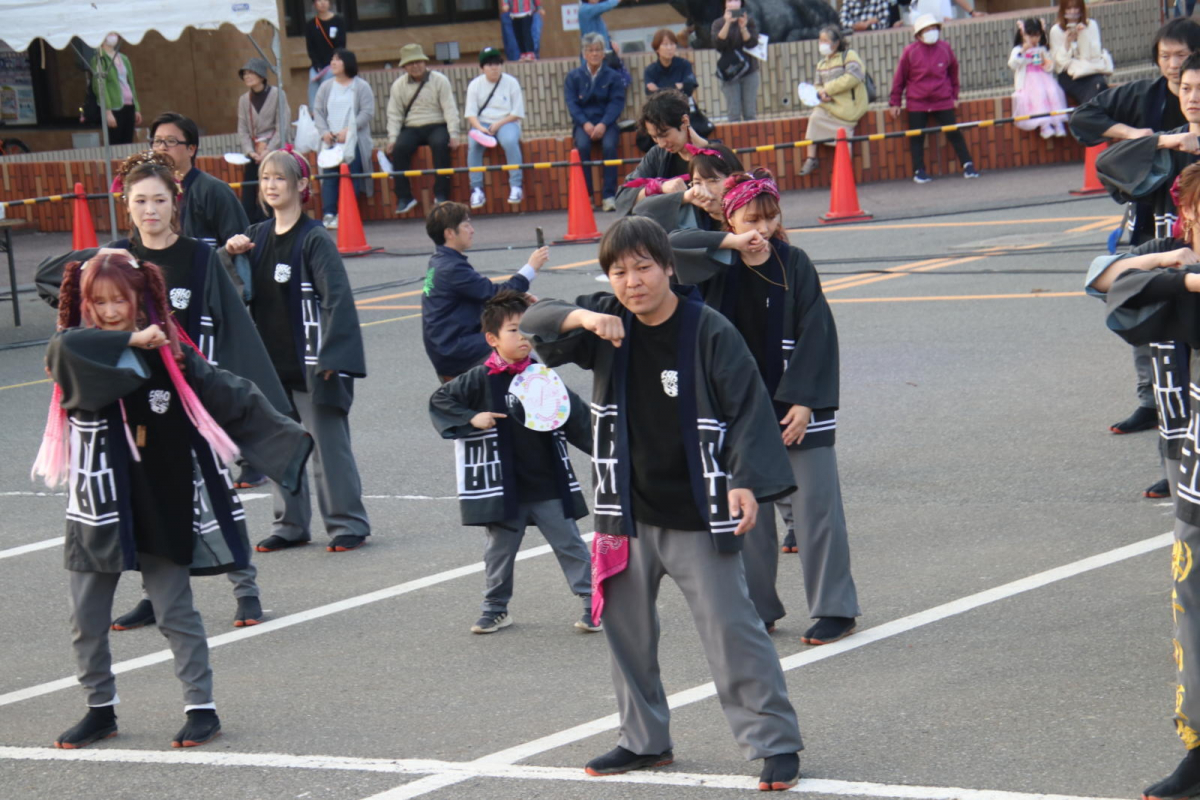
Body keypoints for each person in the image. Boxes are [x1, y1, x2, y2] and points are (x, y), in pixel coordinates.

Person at [521, 216, 803, 790]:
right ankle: (643, 741)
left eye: (644, 267)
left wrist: (745, 479)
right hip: (622, 511)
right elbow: (533, 320)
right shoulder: (606, 326)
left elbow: (749, 409)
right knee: (626, 631)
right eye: (619, 271)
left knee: (732, 628)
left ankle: (774, 743)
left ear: (669, 267)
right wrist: (584, 316)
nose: (632, 281)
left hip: (698, 510)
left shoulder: (708, 331)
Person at [34, 252, 310, 750]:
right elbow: (62, 346)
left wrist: (288, 440)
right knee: (86, 617)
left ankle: (201, 707)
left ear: (141, 299)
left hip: (161, 496)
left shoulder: (171, 355)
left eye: (121, 299)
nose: (111, 309)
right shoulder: (79, 350)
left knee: (174, 611)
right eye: (100, 302)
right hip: (98, 503)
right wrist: (130, 339)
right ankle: (100, 709)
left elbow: (232, 393)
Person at [35, 150, 289, 631]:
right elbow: (51, 277)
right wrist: (95, 260)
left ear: (176, 202)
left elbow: (236, 328)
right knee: (144, 500)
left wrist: (257, 402)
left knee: (214, 489)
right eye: (139, 201)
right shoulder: (115, 260)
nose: (149, 210)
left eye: (158, 200)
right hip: (131, 401)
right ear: (126, 205)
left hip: (186, 393)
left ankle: (246, 588)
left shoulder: (199, 257)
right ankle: (157, 594)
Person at [669, 169, 860, 644]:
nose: (764, 229)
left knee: (817, 511)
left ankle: (835, 607)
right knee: (747, 518)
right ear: (729, 218)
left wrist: (804, 401)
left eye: (771, 218)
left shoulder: (794, 263)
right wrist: (728, 245)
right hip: (737, 412)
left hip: (797, 408)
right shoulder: (713, 266)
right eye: (752, 219)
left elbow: (818, 332)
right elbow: (666, 241)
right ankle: (759, 607)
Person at [1098, 162, 1200, 800]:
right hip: (1193, 482)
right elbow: (1104, 280)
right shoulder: (1178, 275)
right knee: (1193, 618)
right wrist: (1181, 269)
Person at [223, 148, 371, 554]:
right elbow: (227, 290)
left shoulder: (314, 239)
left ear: (302, 186)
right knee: (278, 446)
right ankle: (289, 524)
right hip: (270, 366)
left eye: (280, 179)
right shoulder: (254, 237)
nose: (270, 185)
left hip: (312, 363)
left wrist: (333, 357)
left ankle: (346, 524)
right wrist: (228, 255)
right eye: (265, 178)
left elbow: (337, 299)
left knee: (327, 448)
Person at [429, 291, 598, 634]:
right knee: (499, 552)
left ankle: (592, 603)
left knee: (569, 544)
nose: (523, 338)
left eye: (527, 331)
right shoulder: (480, 379)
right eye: (513, 331)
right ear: (492, 339)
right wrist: (472, 417)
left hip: (547, 481)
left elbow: (577, 418)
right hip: (504, 485)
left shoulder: (542, 375)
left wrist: (608, 452)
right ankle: (495, 608)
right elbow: (440, 401)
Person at [1070, 18, 1200, 458]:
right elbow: (1086, 121)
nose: (1174, 67)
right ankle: (1162, 420)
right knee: (1153, 323)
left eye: (1182, 56)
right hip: (1163, 234)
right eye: (1165, 57)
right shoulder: (1145, 96)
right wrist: (1152, 138)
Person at [422, 201, 549, 381]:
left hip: (446, 343)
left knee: (511, 339)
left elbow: (480, 293)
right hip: (455, 347)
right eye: (466, 225)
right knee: (517, 346)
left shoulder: (440, 262)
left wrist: (517, 295)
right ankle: (535, 398)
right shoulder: (451, 268)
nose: (471, 230)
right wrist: (531, 268)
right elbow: (493, 293)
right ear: (450, 233)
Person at [888, 14, 979, 184]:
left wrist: (954, 96)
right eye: (927, 29)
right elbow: (899, 78)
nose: (932, 32)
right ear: (919, 34)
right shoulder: (910, 52)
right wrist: (895, 102)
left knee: (954, 132)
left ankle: (968, 165)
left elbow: (953, 74)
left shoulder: (945, 48)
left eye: (934, 28)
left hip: (942, 99)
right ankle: (919, 170)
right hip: (917, 101)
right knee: (916, 137)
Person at [148, 113, 250, 250]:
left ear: (191, 149)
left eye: (171, 141)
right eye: (157, 141)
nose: (162, 147)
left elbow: (240, 242)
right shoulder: (149, 191)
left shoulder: (214, 190)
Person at [386, 44, 461, 215]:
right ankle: (404, 197)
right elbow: (394, 114)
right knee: (399, 149)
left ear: (425, 62)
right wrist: (392, 138)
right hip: (411, 126)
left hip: (437, 123)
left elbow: (450, 108)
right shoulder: (398, 85)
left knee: (441, 145)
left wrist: (454, 133)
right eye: (410, 63)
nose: (415, 66)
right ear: (404, 67)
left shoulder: (439, 80)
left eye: (418, 61)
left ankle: (442, 194)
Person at [615, 90, 713, 216]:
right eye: (655, 137)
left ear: (684, 122)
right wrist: (659, 187)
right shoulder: (657, 154)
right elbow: (623, 198)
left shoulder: (715, 156)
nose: (661, 143)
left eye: (664, 135)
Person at [314, 49, 375, 231]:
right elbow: (317, 110)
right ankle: (329, 213)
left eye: (338, 60)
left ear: (347, 63)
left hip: (353, 140)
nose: (333, 63)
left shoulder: (361, 86)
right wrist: (324, 132)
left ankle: (347, 213)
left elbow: (367, 112)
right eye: (332, 59)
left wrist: (349, 130)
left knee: (351, 176)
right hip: (330, 141)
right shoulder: (325, 86)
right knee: (330, 176)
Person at [565, 34, 627, 212]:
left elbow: (616, 103)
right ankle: (587, 196)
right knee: (582, 147)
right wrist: (584, 123)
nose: (594, 54)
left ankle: (609, 196)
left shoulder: (613, 76)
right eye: (590, 50)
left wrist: (603, 124)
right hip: (583, 124)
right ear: (584, 54)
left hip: (606, 123)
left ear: (603, 53)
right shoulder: (573, 77)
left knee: (609, 146)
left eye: (598, 50)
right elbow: (572, 104)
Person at [799, 26, 869, 177]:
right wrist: (820, 94)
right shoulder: (821, 64)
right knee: (815, 117)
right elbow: (818, 85)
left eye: (825, 40)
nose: (821, 44)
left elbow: (853, 77)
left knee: (843, 137)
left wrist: (828, 89)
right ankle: (811, 158)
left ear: (836, 43)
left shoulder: (848, 55)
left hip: (848, 107)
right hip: (829, 105)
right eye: (820, 40)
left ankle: (845, 172)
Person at [465, 47, 527, 209]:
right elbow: (471, 115)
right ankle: (476, 189)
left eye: (497, 63)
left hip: (507, 122)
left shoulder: (511, 82)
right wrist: (481, 128)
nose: (494, 68)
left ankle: (516, 185)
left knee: (509, 141)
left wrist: (499, 124)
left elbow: (517, 113)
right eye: (489, 64)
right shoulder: (474, 85)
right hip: (482, 124)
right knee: (473, 145)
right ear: (482, 68)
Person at [633, 143, 743, 235]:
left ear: (733, 178)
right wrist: (684, 197)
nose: (703, 190)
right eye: (697, 182)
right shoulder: (690, 212)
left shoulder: (749, 209)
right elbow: (640, 210)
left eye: (713, 180)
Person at [236, 58, 291, 226]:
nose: (247, 76)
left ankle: (270, 220)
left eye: (250, 73)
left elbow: (283, 124)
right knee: (249, 187)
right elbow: (243, 128)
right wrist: (250, 151)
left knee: (271, 183)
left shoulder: (277, 94)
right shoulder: (244, 100)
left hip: (274, 149)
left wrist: (269, 149)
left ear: (261, 76)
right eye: (244, 74)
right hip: (255, 150)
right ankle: (249, 223)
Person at [640, 29, 701, 154]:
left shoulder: (684, 64)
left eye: (672, 44)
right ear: (657, 48)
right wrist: (677, 86)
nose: (670, 48)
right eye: (665, 44)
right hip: (660, 115)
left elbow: (689, 88)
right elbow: (651, 95)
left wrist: (659, 88)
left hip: (685, 111)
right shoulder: (650, 70)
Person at [1009, 19, 1068, 140]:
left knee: (1053, 91)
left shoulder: (1042, 49)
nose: (1033, 39)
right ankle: (1045, 125)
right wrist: (1022, 52)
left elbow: (1050, 67)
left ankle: (1058, 123)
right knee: (1039, 93)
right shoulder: (1018, 50)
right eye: (1030, 35)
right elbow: (1012, 64)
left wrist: (1044, 62)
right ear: (1023, 34)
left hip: (1044, 78)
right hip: (1029, 81)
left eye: (1036, 35)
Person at [1048, 0, 1109, 107]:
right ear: (1063, 10)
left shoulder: (1091, 25)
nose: (1073, 12)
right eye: (1069, 8)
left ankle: (1087, 117)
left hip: (1090, 71)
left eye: (1076, 8)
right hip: (1069, 76)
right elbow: (1060, 64)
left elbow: (1094, 55)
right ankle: (1088, 117)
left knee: (1100, 84)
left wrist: (1083, 36)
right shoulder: (1056, 31)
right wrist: (1067, 41)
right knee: (1095, 91)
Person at [712, 0, 761, 124]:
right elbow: (718, 44)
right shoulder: (718, 23)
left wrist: (743, 27)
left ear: (741, 3)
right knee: (733, 114)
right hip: (730, 71)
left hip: (749, 70)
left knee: (750, 113)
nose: (733, 3)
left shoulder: (749, 20)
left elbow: (752, 43)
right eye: (729, 0)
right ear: (724, 4)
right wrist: (727, 23)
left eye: (736, 0)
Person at [91, 33, 140, 146]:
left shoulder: (123, 58)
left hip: (129, 104)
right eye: (110, 33)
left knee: (128, 141)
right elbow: (100, 86)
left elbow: (131, 82)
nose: (114, 36)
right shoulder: (99, 59)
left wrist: (136, 107)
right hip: (114, 107)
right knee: (116, 142)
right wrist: (108, 111)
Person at [305, 0, 346, 111]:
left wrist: (333, 62)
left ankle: (329, 112)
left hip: (333, 64)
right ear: (314, 4)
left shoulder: (338, 21)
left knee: (327, 85)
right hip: (317, 64)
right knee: (313, 83)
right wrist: (316, 64)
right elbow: (310, 48)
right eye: (319, 0)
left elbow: (341, 45)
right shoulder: (311, 24)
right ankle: (314, 114)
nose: (322, 3)